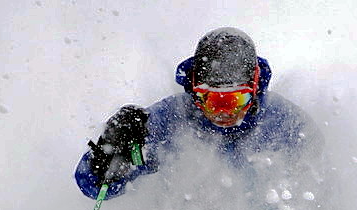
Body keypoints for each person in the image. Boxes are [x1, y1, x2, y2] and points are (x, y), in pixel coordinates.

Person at [75, 27, 323, 200]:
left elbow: (321, 180)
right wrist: (107, 157)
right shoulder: (170, 121)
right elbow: (95, 188)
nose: (224, 113)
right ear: (195, 91)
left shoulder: (287, 126)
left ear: (255, 88)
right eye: (213, 101)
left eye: (236, 99)